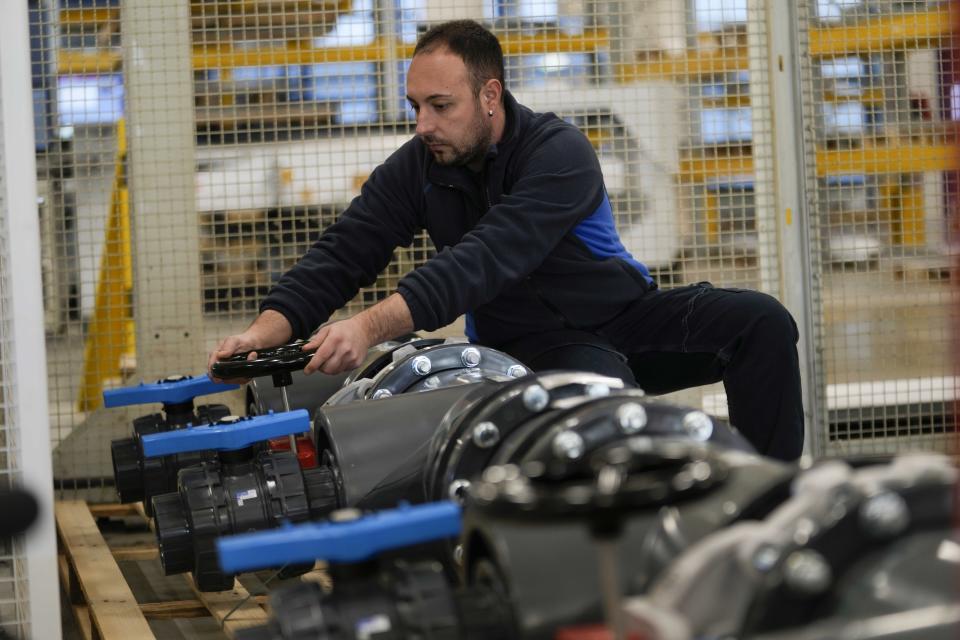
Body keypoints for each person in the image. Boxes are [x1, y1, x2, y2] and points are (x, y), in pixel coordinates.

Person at [209, 19, 804, 461]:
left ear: (490, 96)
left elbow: (486, 258)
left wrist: (365, 327)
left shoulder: (559, 153)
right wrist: (263, 334)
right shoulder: (418, 166)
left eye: (441, 106)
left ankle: (767, 506)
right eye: (416, 106)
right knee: (606, 413)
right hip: (529, 348)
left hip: (626, 318)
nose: (423, 125)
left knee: (761, 323)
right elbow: (345, 251)